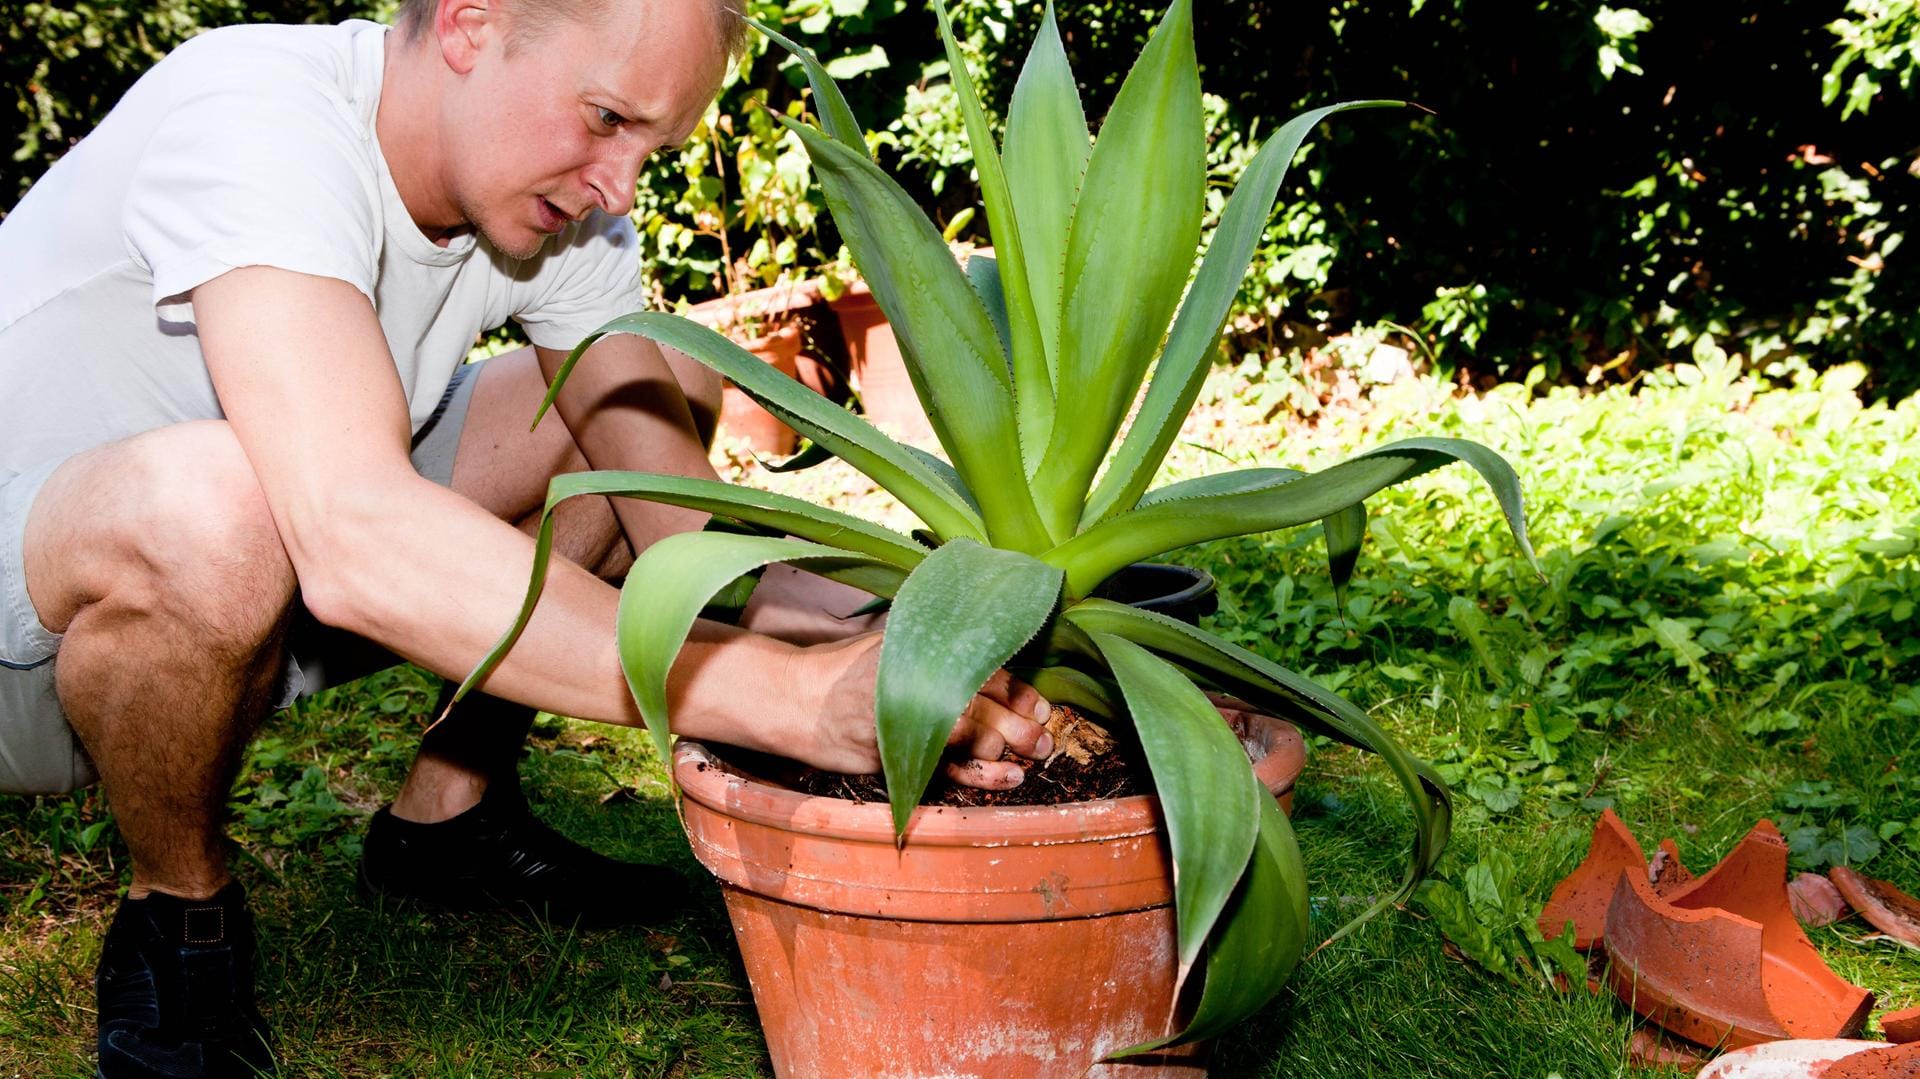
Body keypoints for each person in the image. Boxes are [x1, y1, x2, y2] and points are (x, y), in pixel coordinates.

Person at [0, 0, 1054, 1074]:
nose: (620, 184)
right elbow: (353, 531)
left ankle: (445, 823)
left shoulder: (557, 199)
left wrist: (886, 632)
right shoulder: (256, 111)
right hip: (32, 637)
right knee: (220, 504)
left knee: (648, 377)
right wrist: (782, 700)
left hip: (278, 563)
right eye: (606, 118)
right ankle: (178, 919)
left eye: (651, 146)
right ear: (470, 24)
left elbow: (671, 507)